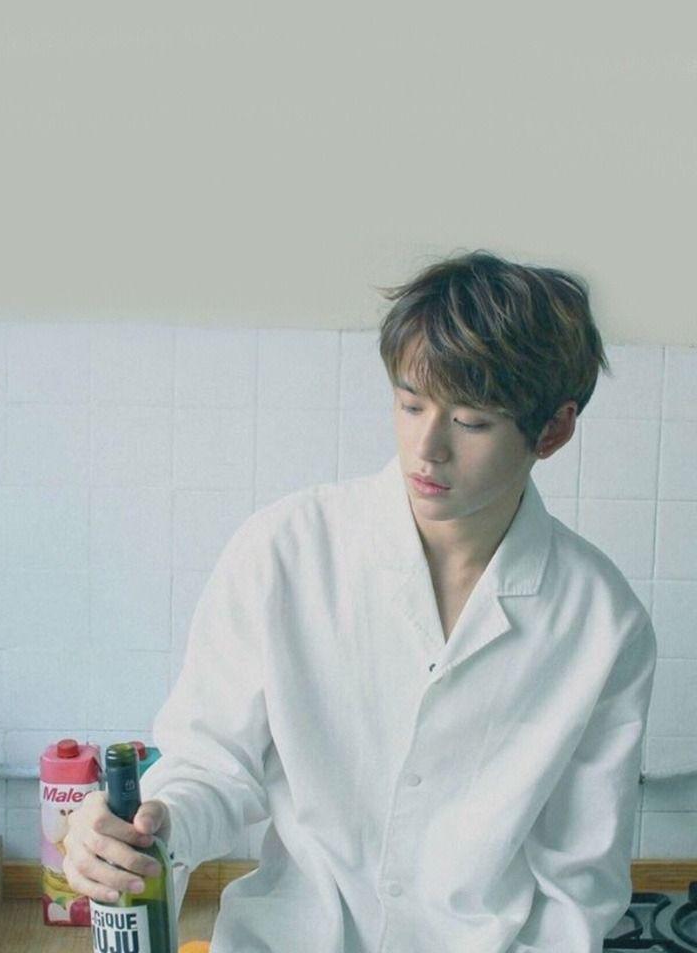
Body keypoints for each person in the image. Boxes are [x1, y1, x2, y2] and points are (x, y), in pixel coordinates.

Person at [63, 248, 658, 952]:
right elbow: (212, 762)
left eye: (471, 422)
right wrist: (156, 822)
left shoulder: (603, 624)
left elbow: (576, 887)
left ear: (552, 430)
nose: (426, 449)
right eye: (410, 404)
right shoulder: (286, 550)